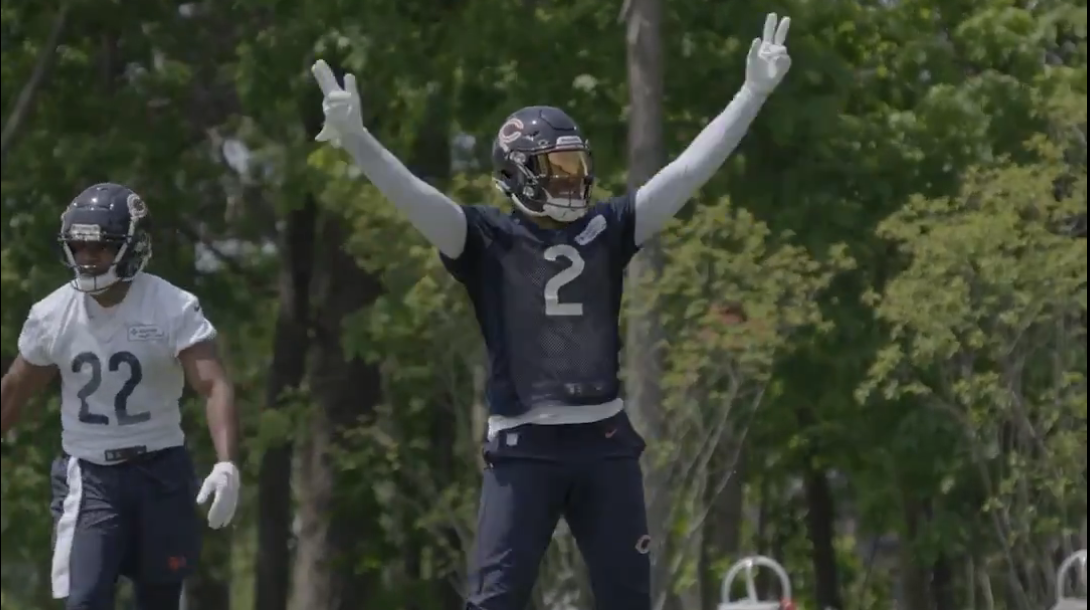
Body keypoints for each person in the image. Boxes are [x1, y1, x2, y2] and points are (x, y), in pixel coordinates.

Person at [311, 12, 792, 610]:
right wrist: (359, 140)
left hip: (605, 440)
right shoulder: (486, 238)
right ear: (515, 175)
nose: (573, 181)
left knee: (629, 601)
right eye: (556, 169)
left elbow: (688, 172)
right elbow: (415, 197)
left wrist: (751, 94)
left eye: (576, 167)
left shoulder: (609, 228)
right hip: (524, 447)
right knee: (493, 601)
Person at [0, 182, 242, 610]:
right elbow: (15, 390)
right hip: (89, 476)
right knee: (85, 600)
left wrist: (226, 463)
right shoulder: (53, 314)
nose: (87, 258)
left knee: (159, 600)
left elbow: (212, 384)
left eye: (101, 248)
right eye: (79, 247)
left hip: (161, 470)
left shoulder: (171, 305)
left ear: (133, 248)